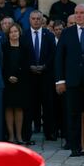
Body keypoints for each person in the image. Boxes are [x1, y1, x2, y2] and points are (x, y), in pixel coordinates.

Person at [56, 4, 84, 157]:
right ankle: (75, 148)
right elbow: (59, 58)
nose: (78, 16)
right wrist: (59, 81)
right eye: (76, 13)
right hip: (73, 82)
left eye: (81, 13)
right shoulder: (67, 33)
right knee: (73, 115)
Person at [22, 10, 57, 143]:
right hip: (29, 77)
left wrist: (45, 66)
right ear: (29, 20)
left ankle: (50, 133)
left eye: (38, 19)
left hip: (45, 76)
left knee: (48, 105)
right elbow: (22, 56)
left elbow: (53, 54)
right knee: (29, 106)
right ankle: (26, 134)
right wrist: (29, 66)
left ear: (42, 20)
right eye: (33, 19)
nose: (36, 21)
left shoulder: (48, 35)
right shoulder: (23, 35)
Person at [2, 23, 29, 144]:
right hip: (7, 82)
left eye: (16, 31)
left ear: (19, 33)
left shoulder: (25, 47)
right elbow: (1, 64)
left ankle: (19, 136)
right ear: (8, 34)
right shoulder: (3, 47)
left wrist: (18, 76)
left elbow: (26, 64)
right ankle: (11, 136)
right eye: (11, 32)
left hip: (21, 82)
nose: (14, 34)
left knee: (19, 108)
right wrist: (8, 76)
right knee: (8, 108)